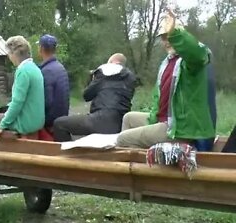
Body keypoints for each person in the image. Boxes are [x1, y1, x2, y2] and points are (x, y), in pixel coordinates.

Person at [116, 9, 216, 149]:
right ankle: (134, 161)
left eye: (170, 36)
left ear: (180, 36)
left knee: (123, 139)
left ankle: (143, 168)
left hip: (180, 128)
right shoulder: (167, 63)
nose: (167, 41)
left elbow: (197, 54)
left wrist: (176, 33)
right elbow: (159, 101)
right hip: (164, 120)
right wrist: (153, 118)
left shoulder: (191, 62)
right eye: (163, 37)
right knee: (128, 118)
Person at [52, 53, 136, 142]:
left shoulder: (104, 72)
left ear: (111, 62)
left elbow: (87, 95)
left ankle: (67, 155)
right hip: (121, 123)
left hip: (100, 120)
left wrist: (93, 79)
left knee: (59, 124)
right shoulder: (131, 78)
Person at [0, 35, 45, 138]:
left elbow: (17, 103)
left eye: (8, 53)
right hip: (36, 121)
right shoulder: (35, 68)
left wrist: (1, 126)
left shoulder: (23, 71)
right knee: (2, 112)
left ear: (14, 54)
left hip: (25, 123)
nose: (9, 57)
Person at [36, 34, 70, 130]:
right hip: (63, 116)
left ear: (41, 48)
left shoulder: (46, 71)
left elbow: (47, 101)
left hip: (52, 120)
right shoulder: (60, 67)